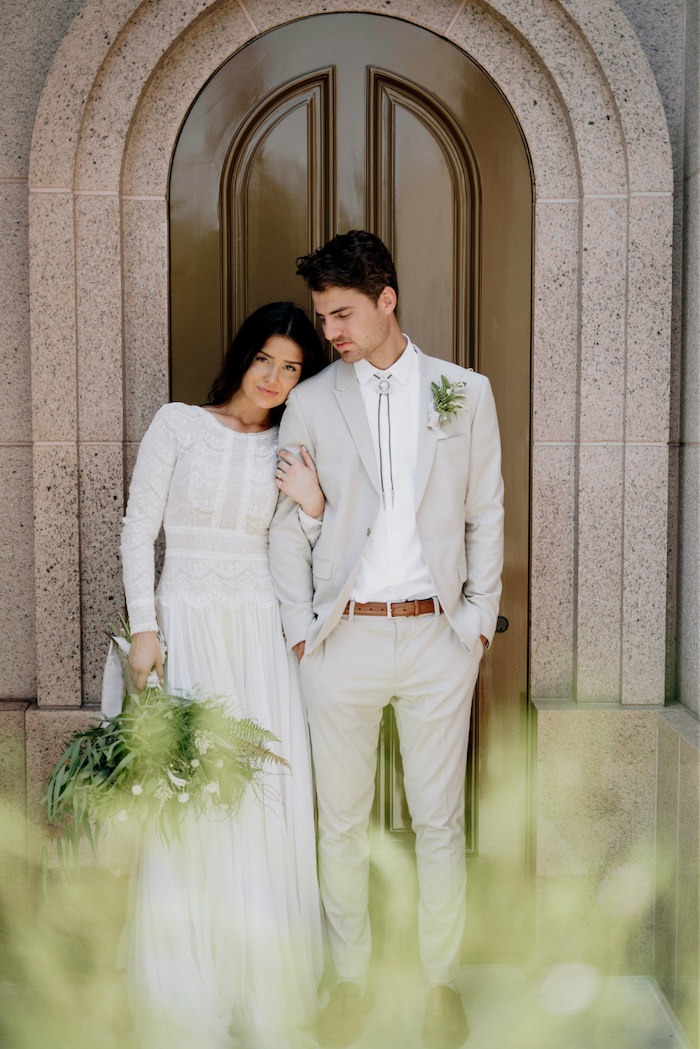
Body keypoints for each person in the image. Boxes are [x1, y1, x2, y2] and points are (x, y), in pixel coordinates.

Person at [269, 232, 504, 1049]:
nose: (328, 331)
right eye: (321, 315)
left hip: (439, 640)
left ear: (386, 300)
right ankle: (349, 983)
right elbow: (285, 528)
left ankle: (440, 985)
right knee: (341, 823)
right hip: (343, 643)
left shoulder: (463, 393)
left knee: (440, 821)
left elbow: (485, 514)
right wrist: (302, 632)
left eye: (341, 313)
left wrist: (475, 623)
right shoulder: (312, 399)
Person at [120, 302, 328, 1049]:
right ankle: (190, 990)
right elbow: (139, 527)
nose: (275, 378)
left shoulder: (291, 444)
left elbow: (304, 544)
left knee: (264, 800)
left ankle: (265, 988)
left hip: (258, 634)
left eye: (293, 368)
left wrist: (311, 507)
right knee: (194, 802)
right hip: (188, 627)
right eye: (267, 359)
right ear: (244, 355)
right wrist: (146, 629)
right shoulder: (178, 424)